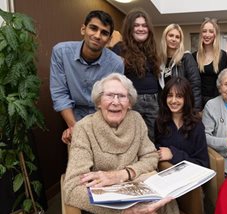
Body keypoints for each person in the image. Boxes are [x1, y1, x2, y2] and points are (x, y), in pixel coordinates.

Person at [63, 73, 181, 214]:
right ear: (98, 101)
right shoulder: (84, 129)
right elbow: (71, 188)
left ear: (130, 103)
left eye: (122, 96)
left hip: (140, 193)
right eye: (110, 95)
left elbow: (151, 156)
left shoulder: (136, 120)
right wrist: (124, 212)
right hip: (106, 211)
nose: (116, 102)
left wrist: (123, 174)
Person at [50, 10, 124, 144]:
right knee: (78, 159)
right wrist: (75, 128)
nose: (97, 35)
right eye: (93, 28)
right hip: (72, 117)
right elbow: (60, 94)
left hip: (103, 119)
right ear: (83, 29)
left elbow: (113, 99)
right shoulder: (61, 52)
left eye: (104, 33)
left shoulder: (117, 63)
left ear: (108, 39)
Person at [111, 9, 160, 141]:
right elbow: (114, 79)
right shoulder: (120, 48)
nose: (141, 28)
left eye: (144, 25)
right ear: (129, 28)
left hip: (154, 101)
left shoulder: (151, 48)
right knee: (132, 138)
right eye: (136, 25)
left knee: (152, 139)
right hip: (132, 100)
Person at [155, 77, 209, 167]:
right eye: (170, 95)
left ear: (186, 99)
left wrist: (174, 154)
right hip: (167, 175)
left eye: (179, 96)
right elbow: (159, 151)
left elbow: (203, 164)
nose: (173, 101)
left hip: (193, 177)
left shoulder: (196, 125)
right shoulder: (160, 121)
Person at [159, 23, 202, 111]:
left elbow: (195, 85)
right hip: (166, 108)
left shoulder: (186, 58)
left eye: (177, 37)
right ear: (165, 37)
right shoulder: (160, 61)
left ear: (180, 41)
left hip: (183, 107)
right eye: (171, 35)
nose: (174, 39)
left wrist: (195, 110)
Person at [193, 18, 227, 109]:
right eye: (204, 31)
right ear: (201, 34)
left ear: (215, 34)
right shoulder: (193, 56)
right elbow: (193, 83)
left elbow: (222, 81)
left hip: (216, 102)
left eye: (211, 31)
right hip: (198, 102)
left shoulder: (222, 55)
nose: (207, 35)